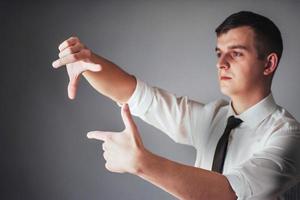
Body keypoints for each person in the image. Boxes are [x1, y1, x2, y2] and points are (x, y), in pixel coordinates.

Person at [52, 11, 300, 199]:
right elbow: (135, 93)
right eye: (218, 53)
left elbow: (230, 193)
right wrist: (88, 62)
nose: (221, 63)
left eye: (235, 53)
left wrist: (142, 163)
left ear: (268, 64)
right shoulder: (213, 117)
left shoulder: (288, 137)